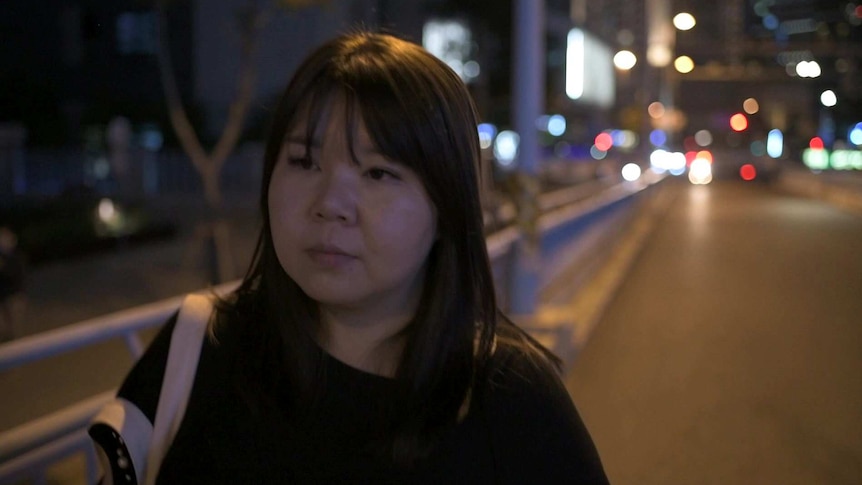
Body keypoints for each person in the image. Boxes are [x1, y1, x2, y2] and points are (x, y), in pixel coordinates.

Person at [90, 31, 608, 484]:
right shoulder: (199, 350)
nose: (330, 206)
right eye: (303, 161)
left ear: (448, 208)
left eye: (378, 173)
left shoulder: (512, 402)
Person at [0, 226, 26, 342]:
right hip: (3, 297)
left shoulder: (16, 257)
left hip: (14, 298)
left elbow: (16, 276)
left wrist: (4, 268)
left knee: (15, 330)